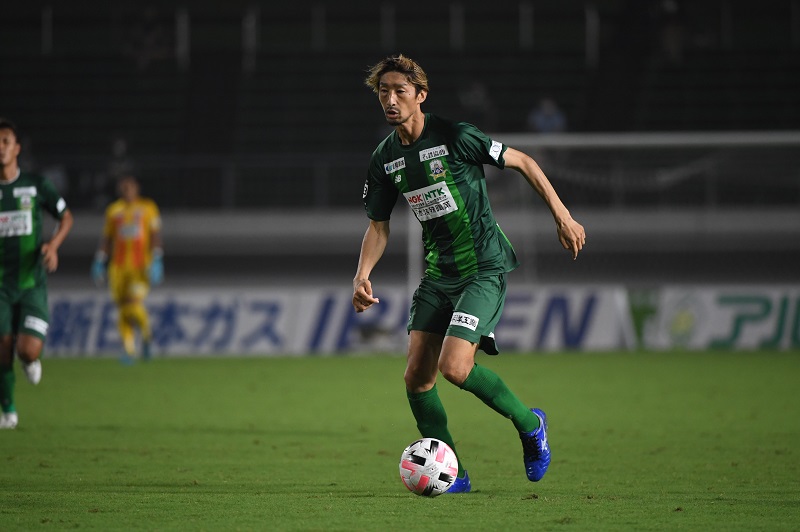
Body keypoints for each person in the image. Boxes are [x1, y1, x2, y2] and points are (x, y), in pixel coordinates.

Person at [352, 55, 586, 492]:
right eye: (383, 91)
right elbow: (378, 225)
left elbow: (523, 161)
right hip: (438, 274)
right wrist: (362, 273)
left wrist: (562, 215)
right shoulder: (385, 158)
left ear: (421, 95)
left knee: (455, 367)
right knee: (416, 378)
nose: (390, 99)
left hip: (482, 268)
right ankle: (454, 474)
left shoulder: (455, 135)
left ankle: (531, 424)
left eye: (400, 91)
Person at [0, 118, 73, 429]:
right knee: (2, 351)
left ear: (16, 148)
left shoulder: (36, 185)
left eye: (5, 141)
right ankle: (8, 411)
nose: (0, 147)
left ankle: (29, 359)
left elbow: (66, 217)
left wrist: (53, 245)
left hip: (32, 283)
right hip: (1, 286)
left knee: (27, 350)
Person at [92, 175, 163, 364]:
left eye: (130, 186)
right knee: (123, 309)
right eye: (123, 187)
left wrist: (157, 258)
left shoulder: (148, 208)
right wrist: (99, 260)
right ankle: (129, 350)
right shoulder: (114, 210)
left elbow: (155, 234)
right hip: (118, 268)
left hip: (140, 267)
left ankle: (146, 336)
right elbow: (107, 238)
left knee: (134, 303)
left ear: (137, 188)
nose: (126, 190)